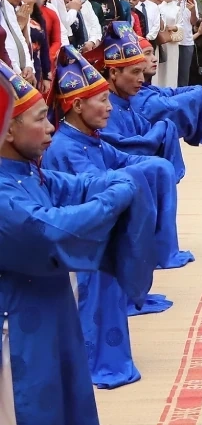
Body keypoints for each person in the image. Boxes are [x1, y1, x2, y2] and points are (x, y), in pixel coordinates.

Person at [0, 59, 149, 425]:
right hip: (16, 327)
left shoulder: (25, 171)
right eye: (39, 119)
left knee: (67, 402)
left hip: (50, 312)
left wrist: (119, 183)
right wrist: (116, 196)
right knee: (31, 415)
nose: (51, 126)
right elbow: (50, 231)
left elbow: (73, 186)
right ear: (7, 131)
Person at [43, 47, 177, 388]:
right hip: (77, 242)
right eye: (101, 101)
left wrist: (150, 167)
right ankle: (90, 358)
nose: (108, 108)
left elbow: (121, 160)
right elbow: (92, 190)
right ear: (76, 106)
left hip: (97, 232)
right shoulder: (66, 147)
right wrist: (127, 182)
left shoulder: (89, 138)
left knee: (152, 168)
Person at [97, 23, 191, 270]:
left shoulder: (124, 101)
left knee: (159, 165)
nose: (142, 79)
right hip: (104, 173)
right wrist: (161, 129)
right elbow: (118, 146)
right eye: (135, 72)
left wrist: (162, 129)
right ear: (114, 73)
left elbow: (140, 135)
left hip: (124, 163)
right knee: (156, 167)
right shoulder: (103, 106)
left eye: (142, 71)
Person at [132, 37, 202, 148]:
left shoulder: (148, 90)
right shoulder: (139, 98)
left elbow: (171, 92)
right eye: (147, 53)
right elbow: (170, 105)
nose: (154, 59)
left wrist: (199, 91)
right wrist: (199, 92)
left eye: (153, 53)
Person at [171, 0, 202, 90]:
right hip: (172, 41)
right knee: (171, 72)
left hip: (186, 41)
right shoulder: (169, 1)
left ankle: (181, 97)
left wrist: (193, 10)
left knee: (184, 74)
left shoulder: (191, 2)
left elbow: (194, 22)